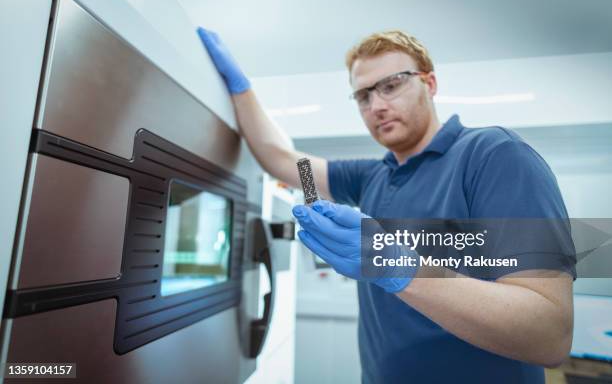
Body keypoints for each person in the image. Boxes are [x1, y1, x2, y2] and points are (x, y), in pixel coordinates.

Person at [197, 28, 576, 383]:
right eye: (363, 96)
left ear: (429, 83)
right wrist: (241, 90)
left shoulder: (493, 156)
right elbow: (288, 162)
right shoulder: (373, 176)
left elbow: (548, 334)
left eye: (391, 86)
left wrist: (398, 265)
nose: (376, 105)